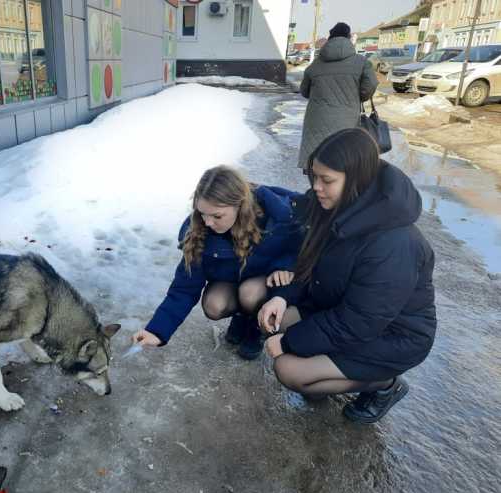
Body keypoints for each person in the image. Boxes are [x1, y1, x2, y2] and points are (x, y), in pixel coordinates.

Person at [258, 128, 436, 424]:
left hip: (393, 335)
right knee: (273, 318)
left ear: (356, 179)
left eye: (326, 180)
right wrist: (282, 297)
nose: (316, 187)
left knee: (289, 369)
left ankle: (385, 384)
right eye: (314, 177)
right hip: (339, 306)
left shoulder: (394, 243)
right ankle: (324, 377)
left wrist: (289, 343)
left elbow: (359, 322)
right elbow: (308, 264)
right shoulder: (335, 204)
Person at [133, 165, 303, 359]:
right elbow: (184, 288)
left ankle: (256, 327)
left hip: (262, 285)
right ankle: (241, 316)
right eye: (202, 213)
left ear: (240, 205)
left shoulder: (277, 216)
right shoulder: (197, 231)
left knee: (250, 293)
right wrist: (156, 331)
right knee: (214, 304)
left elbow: (301, 246)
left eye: (217, 216)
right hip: (230, 282)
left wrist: (286, 267)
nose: (207, 222)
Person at [298, 22, 379, 171]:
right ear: (349, 38)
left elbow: (304, 91)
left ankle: (316, 184)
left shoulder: (315, 65)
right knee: (343, 165)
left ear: (330, 38)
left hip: (317, 120)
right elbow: (371, 85)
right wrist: (358, 97)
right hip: (348, 119)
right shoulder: (361, 63)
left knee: (316, 164)